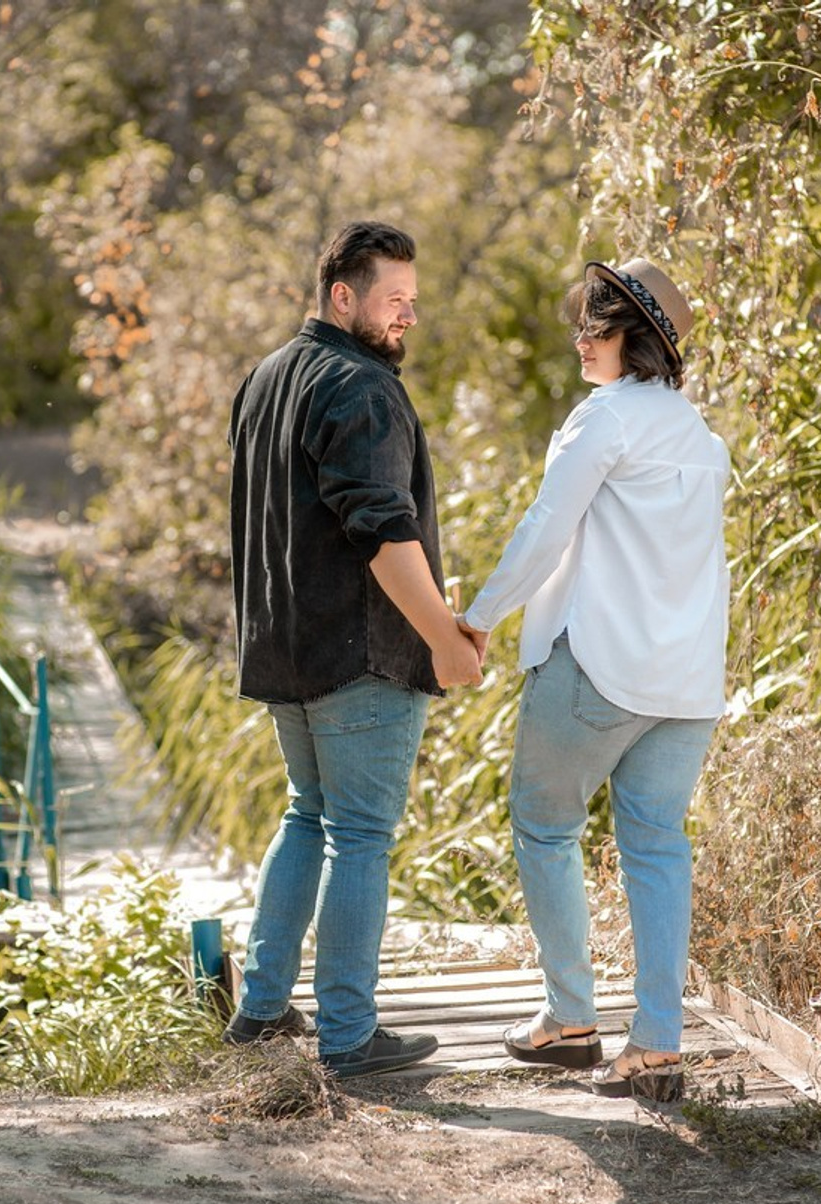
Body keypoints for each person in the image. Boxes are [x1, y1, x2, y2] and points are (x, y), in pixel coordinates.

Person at [459, 259, 729, 1101]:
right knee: (655, 846)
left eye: (596, 326)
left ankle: (571, 1020)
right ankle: (655, 1044)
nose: (580, 339)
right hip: (685, 685)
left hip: (599, 668)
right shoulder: (702, 438)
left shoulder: (603, 419)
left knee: (544, 828)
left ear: (633, 340)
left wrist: (478, 618)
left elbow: (546, 529)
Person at [223, 221, 483, 1079]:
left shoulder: (265, 377)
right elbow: (381, 531)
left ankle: (260, 1013)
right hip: (359, 657)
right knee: (361, 835)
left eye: (414, 300)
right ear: (344, 296)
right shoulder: (361, 389)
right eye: (393, 300)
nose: (409, 315)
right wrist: (443, 639)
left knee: (308, 814)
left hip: (284, 652)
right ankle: (346, 1037)